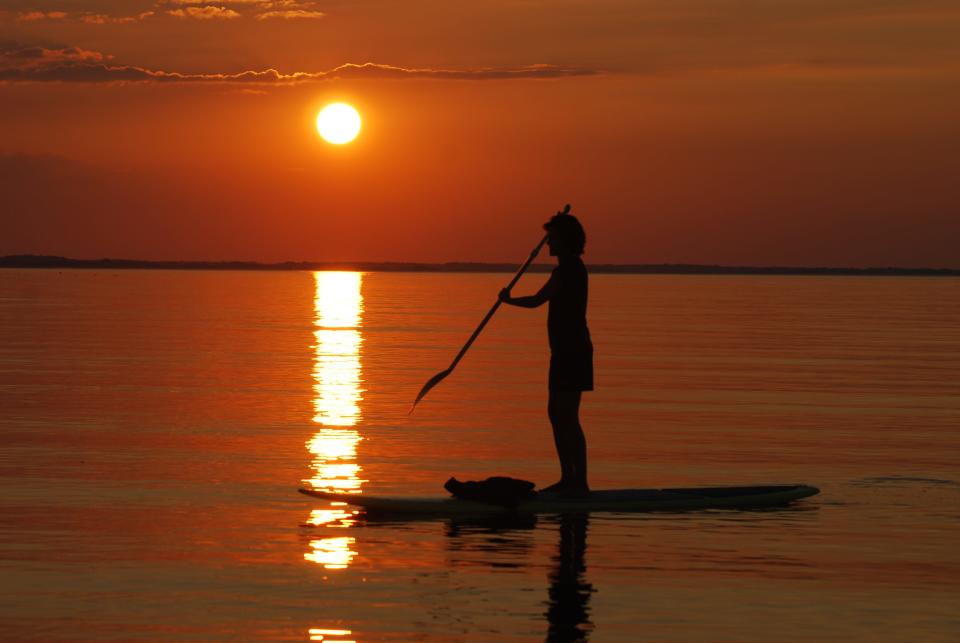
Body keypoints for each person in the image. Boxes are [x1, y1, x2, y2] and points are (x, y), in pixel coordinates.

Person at [499, 211, 592, 497]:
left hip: (573, 351)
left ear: (563, 240)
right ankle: (569, 479)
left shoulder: (568, 270)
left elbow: (539, 300)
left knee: (567, 415)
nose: (547, 243)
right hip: (563, 351)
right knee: (556, 412)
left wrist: (508, 301)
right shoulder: (568, 268)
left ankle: (578, 483)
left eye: (551, 237)